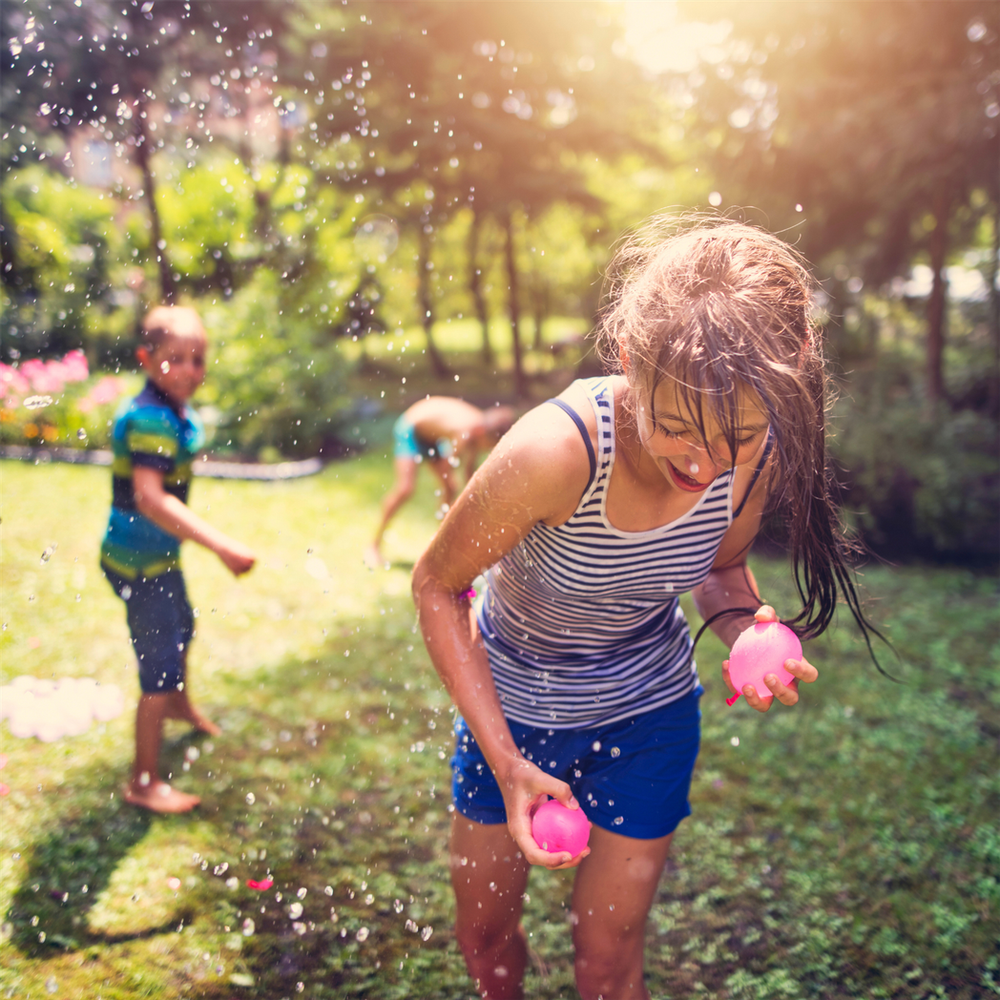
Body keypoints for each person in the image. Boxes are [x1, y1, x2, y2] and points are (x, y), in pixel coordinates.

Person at [412, 217, 880, 1000]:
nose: (702, 466)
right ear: (629, 362)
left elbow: (724, 571)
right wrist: (507, 762)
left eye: (733, 437)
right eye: (675, 431)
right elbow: (437, 584)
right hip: (513, 714)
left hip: (646, 717)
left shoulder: (754, 452)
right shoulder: (552, 455)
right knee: (487, 939)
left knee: (608, 959)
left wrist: (744, 628)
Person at [101, 305, 256, 814]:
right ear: (147, 359)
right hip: (138, 562)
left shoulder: (165, 407)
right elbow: (149, 496)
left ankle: (179, 704)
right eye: (175, 359)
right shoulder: (149, 417)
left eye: (197, 358)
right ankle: (143, 780)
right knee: (159, 665)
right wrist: (222, 546)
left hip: (155, 557)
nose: (190, 369)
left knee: (183, 627)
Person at [368, 396, 514, 564]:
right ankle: (374, 545)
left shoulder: (479, 429)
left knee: (451, 489)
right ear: (481, 432)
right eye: (488, 446)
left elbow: (469, 473)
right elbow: (447, 467)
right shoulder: (466, 431)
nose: (487, 450)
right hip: (411, 429)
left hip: (432, 437)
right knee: (405, 489)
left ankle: (440, 546)